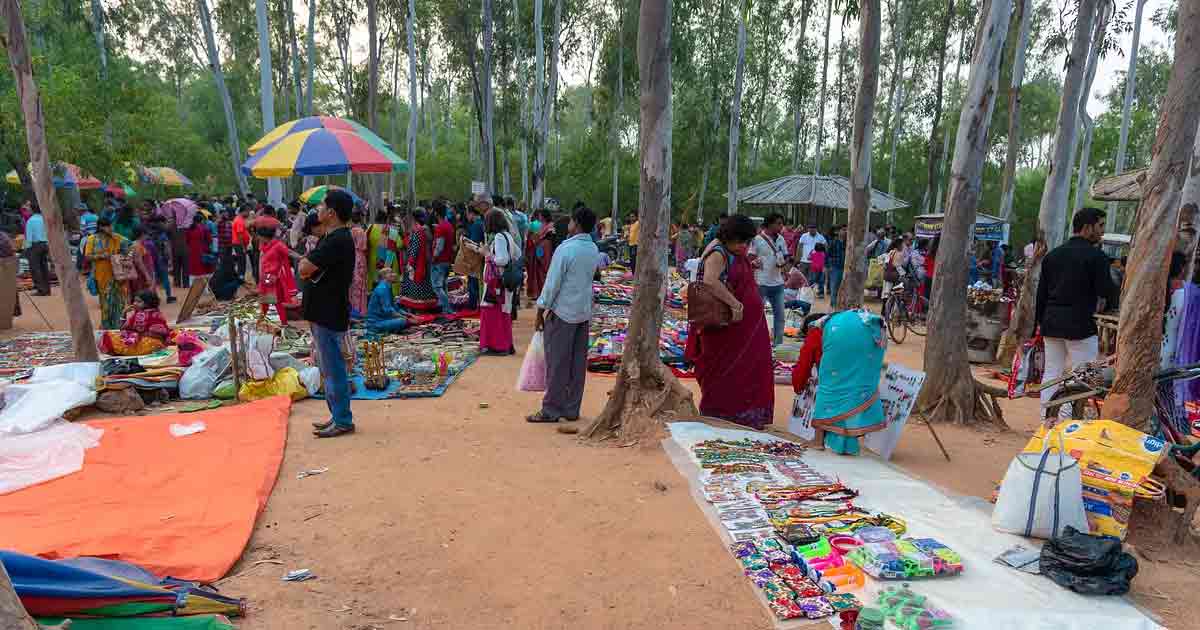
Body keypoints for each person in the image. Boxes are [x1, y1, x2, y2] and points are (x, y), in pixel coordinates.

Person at [684, 214, 775, 429]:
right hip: (726, 327)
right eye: (741, 241)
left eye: (747, 242)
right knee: (724, 370)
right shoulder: (717, 252)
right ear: (730, 236)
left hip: (743, 329)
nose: (744, 246)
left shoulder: (732, 251)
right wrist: (736, 304)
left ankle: (746, 413)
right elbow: (710, 281)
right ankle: (721, 412)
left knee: (750, 368)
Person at [1036, 207, 1118, 409]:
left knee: (1052, 372)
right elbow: (1106, 290)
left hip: (1051, 322)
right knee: (1082, 376)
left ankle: (1047, 419)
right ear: (1087, 227)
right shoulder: (1096, 257)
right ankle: (1067, 420)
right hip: (1080, 325)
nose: (1102, 231)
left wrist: (1038, 324)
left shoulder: (1053, 255)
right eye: (1100, 225)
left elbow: (1041, 294)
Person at [527, 207, 602, 424]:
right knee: (577, 364)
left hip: (563, 312)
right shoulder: (592, 249)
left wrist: (541, 310)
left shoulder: (566, 249)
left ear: (576, 223)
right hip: (583, 311)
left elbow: (552, 284)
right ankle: (571, 408)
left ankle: (551, 409)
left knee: (557, 363)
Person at [301, 190, 358, 438]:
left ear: (332, 213)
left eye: (322, 206)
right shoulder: (331, 237)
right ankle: (337, 415)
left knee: (333, 369)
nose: (318, 210)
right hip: (325, 310)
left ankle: (343, 419)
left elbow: (304, 268)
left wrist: (305, 265)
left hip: (329, 311)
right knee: (329, 368)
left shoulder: (336, 241)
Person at [792, 310, 888, 454]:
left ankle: (818, 440)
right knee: (854, 388)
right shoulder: (842, 321)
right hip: (874, 332)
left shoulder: (816, 330)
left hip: (845, 338)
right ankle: (850, 438)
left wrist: (798, 386)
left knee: (828, 386)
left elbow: (804, 365)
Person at [466, 209, 517, 356]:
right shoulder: (508, 236)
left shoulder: (500, 238)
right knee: (503, 314)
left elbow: (502, 259)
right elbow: (516, 255)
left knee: (491, 313)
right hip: (504, 282)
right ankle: (506, 345)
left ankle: (496, 346)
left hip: (496, 282)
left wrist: (488, 254)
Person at [751, 213, 789, 347]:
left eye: (781, 223)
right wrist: (754, 263)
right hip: (761, 283)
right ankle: (758, 343)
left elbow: (786, 256)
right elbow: (750, 257)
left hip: (778, 283)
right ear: (770, 224)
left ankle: (778, 345)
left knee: (780, 316)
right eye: (778, 223)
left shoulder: (781, 240)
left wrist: (784, 264)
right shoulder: (757, 239)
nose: (781, 226)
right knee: (758, 316)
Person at [86, 217, 131, 329]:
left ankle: (119, 325)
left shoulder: (116, 237)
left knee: (120, 302)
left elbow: (130, 245)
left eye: (111, 226)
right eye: (109, 226)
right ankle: (107, 327)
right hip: (102, 276)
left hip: (118, 275)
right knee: (106, 303)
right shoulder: (92, 239)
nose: (111, 228)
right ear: (101, 227)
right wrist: (101, 256)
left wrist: (125, 255)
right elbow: (87, 256)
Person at [98, 290, 171, 356]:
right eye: (135, 301)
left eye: (139, 302)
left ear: (148, 303)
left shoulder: (154, 314)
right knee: (108, 335)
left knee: (112, 339)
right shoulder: (138, 313)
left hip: (151, 344)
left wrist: (138, 335)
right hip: (141, 341)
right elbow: (122, 329)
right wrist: (124, 313)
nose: (134, 303)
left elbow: (160, 334)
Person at [398, 210, 439, 311]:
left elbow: (414, 249)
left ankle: (417, 307)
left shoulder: (418, 232)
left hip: (416, 264)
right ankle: (423, 307)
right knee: (423, 284)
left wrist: (410, 263)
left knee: (415, 285)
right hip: (424, 261)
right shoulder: (423, 230)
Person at [257, 225, 298, 325]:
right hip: (266, 278)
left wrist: (301, 257)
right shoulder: (264, 246)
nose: (258, 238)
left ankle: (283, 323)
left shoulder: (278, 245)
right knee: (266, 301)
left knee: (277, 302)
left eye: (259, 236)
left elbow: (289, 252)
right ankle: (262, 321)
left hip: (275, 279)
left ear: (263, 236)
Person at [366, 267, 413, 333]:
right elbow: (388, 310)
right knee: (403, 321)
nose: (395, 274)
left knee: (406, 319)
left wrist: (409, 315)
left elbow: (395, 308)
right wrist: (406, 318)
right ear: (384, 276)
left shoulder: (387, 287)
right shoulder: (382, 288)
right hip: (376, 323)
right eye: (391, 272)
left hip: (383, 319)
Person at [525, 210, 556, 300]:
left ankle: (543, 293)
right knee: (537, 272)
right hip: (539, 249)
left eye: (540, 215)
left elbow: (550, 239)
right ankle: (538, 293)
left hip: (545, 251)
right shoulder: (541, 225)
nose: (539, 217)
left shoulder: (550, 226)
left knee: (543, 271)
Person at [431, 205, 456, 314]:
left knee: (437, 286)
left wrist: (434, 257)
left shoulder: (441, 227)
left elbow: (439, 246)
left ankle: (447, 308)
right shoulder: (448, 226)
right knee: (443, 285)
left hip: (440, 261)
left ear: (436, 213)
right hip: (447, 260)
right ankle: (445, 308)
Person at [23, 204, 50, 295]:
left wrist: (26, 248)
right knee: (44, 267)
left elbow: (29, 237)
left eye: (29, 209)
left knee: (35, 268)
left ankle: (41, 290)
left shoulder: (31, 221)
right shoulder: (44, 219)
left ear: (32, 210)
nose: (28, 211)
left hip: (35, 246)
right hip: (45, 244)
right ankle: (47, 289)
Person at [349, 211, 369, 317]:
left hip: (353, 257)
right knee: (361, 285)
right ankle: (361, 310)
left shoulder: (351, 231)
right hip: (361, 258)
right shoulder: (362, 231)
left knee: (354, 286)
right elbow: (364, 248)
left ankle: (354, 310)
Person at [185, 217, 215, 285]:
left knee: (192, 270)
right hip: (202, 251)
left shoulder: (189, 229)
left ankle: (191, 286)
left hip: (192, 252)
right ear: (201, 221)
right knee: (204, 270)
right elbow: (210, 240)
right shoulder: (204, 229)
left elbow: (187, 241)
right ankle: (205, 289)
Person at [128, 227, 158, 296]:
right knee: (144, 294)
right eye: (146, 234)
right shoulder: (137, 245)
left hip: (140, 273)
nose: (147, 236)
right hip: (141, 275)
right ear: (142, 234)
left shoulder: (135, 244)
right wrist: (147, 275)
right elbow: (138, 262)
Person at [827, 226, 846, 305]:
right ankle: (833, 305)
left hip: (846, 268)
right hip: (835, 267)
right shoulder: (833, 242)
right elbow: (828, 255)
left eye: (846, 230)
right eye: (843, 230)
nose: (845, 231)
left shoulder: (848, 243)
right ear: (838, 232)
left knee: (844, 288)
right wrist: (829, 266)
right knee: (834, 287)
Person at [232, 204, 251, 280]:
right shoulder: (239, 221)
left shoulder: (239, 219)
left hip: (239, 243)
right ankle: (241, 277)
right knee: (242, 262)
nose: (249, 213)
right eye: (248, 211)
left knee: (241, 261)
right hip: (239, 244)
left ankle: (241, 277)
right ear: (243, 211)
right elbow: (240, 235)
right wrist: (243, 247)